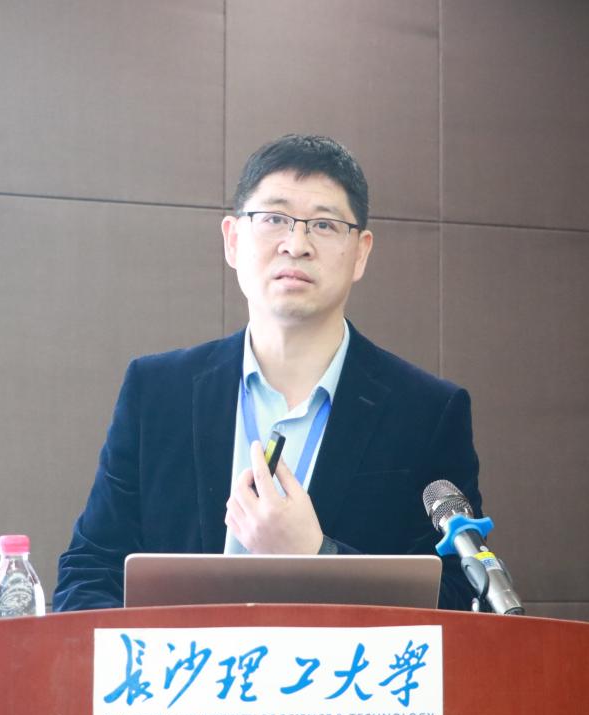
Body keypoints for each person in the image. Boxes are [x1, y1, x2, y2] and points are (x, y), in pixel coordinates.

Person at [54, 134, 481, 612]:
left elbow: (462, 599)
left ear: (361, 252)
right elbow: (89, 573)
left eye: (324, 224)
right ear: (233, 240)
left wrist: (317, 556)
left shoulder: (426, 413)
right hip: (183, 662)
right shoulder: (156, 394)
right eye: (274, 218)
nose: (296, 245)